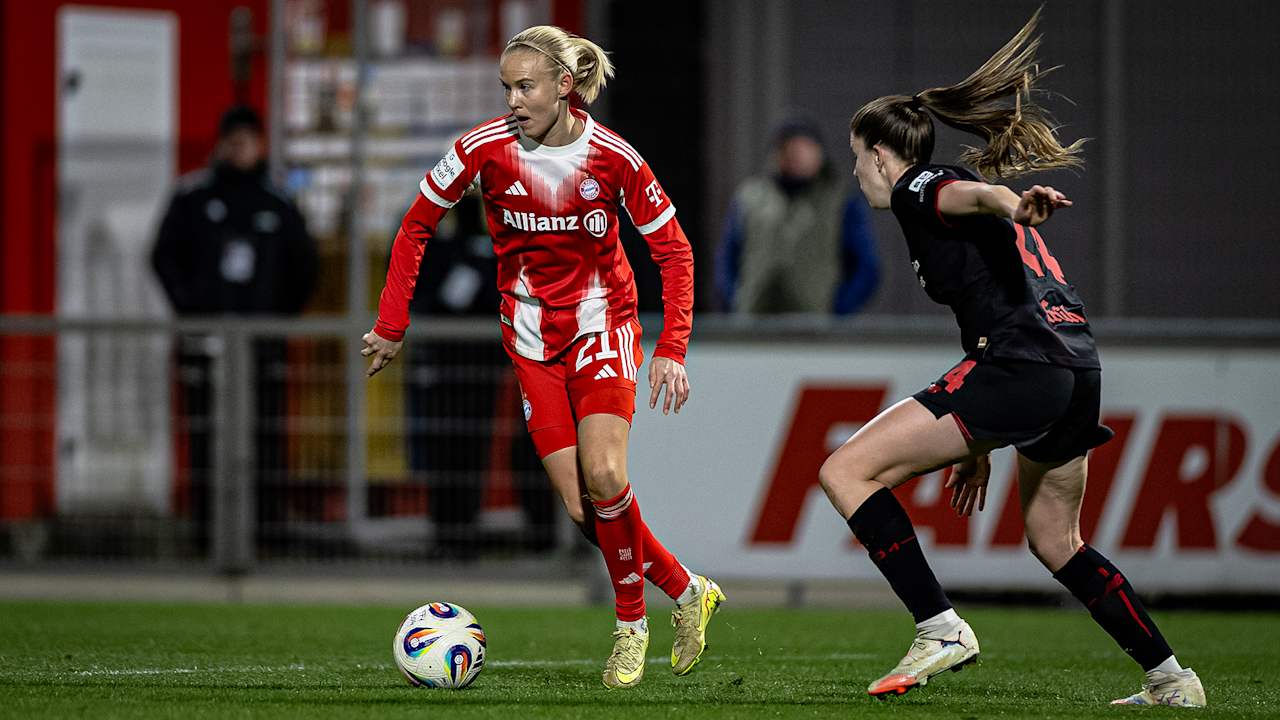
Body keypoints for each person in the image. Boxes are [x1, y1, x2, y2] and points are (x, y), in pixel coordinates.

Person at [819, 9, 1205, 707]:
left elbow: (969, 194)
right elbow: (991, 284)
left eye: (855, 156)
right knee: (1057, 539)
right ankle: (1171, 678)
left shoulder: (917, 186)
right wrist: (977, 444)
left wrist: (1011, 201)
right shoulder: (944, 199)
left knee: (844, 470)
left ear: (879, 152)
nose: (857, 172)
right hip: (1073, 368)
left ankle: (940, 628)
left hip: (1023, 365)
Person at [362, 25, 725, 689]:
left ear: (564, 86)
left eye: (525, 85)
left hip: (601, 329)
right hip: (530, 343)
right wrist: (392, 324)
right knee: (584, 510)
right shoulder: (481, 150)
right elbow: (415, 224)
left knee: (606, 474)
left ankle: (630, 626)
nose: (514, 99)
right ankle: (689, 588)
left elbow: (674, 251)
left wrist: (671, 347)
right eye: (506, 87)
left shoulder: (614, 157)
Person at [152, 105, 317, 551]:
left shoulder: (277, 203)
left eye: (249, 139)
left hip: (262, 347)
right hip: (203, 343)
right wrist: (191, 311)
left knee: (264, 437)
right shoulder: (192, 199)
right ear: (221, 143)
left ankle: (264, 534)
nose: (240, 147)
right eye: (234, 138)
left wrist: (277, 320)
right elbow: (164, 257)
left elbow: (304, 267)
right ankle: (207, 536)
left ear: (260, 144)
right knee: (206, 438)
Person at [717, 118, 879, 314]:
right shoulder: (749, 198)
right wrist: (735, 300)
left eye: (805, 148)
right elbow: (727, 258)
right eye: (788, 147)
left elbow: (866, 267)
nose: (796, 155)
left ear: (820, 154)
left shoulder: (840, 201)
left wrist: (839, 309)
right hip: (754, 320)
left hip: (814, 324)